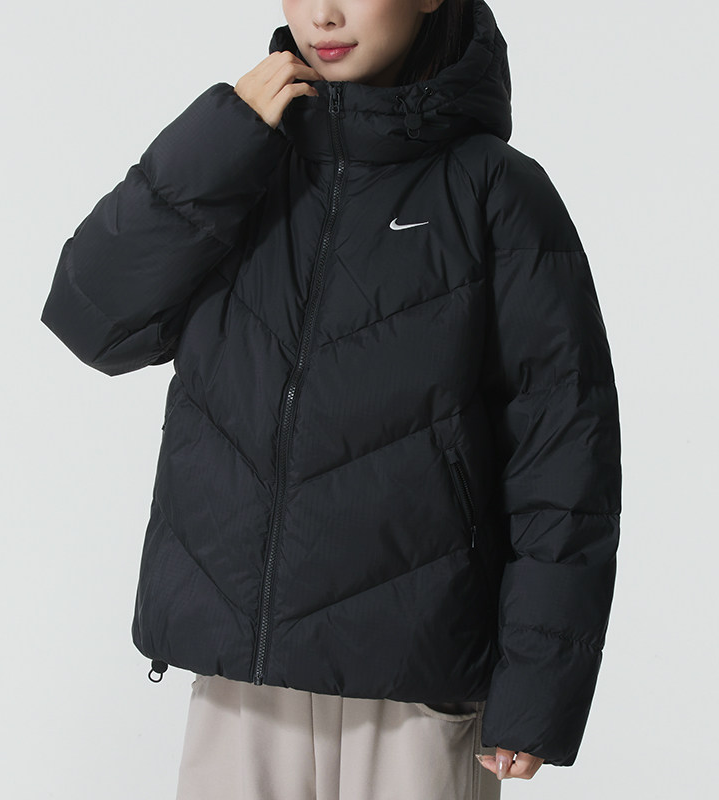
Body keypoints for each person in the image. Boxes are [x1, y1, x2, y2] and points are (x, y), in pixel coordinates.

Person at [40, 0, 622, 797]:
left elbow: (563, 455)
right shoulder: (240, 163)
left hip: (414, 688)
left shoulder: (497, 192)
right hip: (241, 678)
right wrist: (219, 139)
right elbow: (93, 321)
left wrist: (538, 687)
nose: (325, 13)